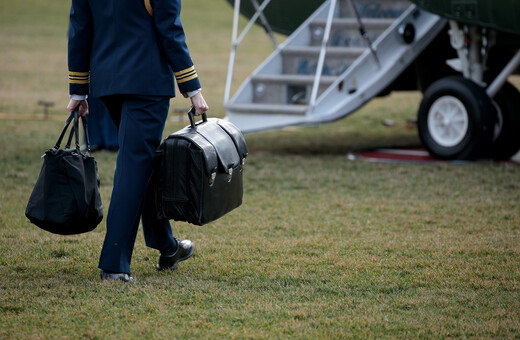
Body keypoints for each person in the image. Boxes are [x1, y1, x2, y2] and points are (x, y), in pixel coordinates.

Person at [66, 0, 209, 282]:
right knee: (134, 166)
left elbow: (80, 29)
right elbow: (169, 29)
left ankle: (167, 246)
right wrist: (192, 88)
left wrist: (79, 89)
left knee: (142, 162)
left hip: (107, 84)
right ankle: (115, 264)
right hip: (147, 83)